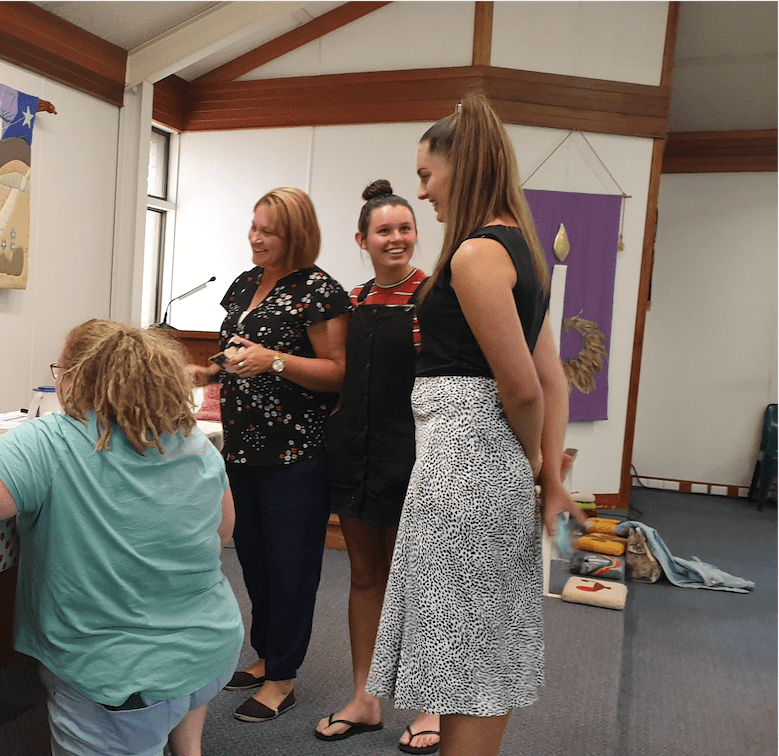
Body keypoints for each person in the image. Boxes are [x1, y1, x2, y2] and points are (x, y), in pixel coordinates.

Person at [365, 94, 585, 756]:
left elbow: (525, 388)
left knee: (464, 659)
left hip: (467, 467)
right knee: (484, 652)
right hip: (486, 467)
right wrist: (544, 475)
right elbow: (552, 379)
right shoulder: (522, 250)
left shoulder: (476, 254)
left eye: (426, 174)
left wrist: (536, 464)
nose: (421, 190)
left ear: (460, 167)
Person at [0, 320, 242, 756]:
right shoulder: (192, 440)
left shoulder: (56, 437)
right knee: (176, 693)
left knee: (141, 715)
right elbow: (222, 532)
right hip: (211, 647)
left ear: (74, 378)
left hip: (120, 680)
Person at [189, 187, 351, 723]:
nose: (257, 238)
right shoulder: (245, 283)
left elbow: (338, 371)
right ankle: (265, 655)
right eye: (254, 227)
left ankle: (283, 677)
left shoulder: (320, 291)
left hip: (296, 453)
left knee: (291, 568)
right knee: (254, 561)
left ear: (296, 235)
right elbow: (236, 351)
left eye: (270, 231)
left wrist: (275, 361)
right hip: (243, 448)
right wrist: (207, 371)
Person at [313, 180, 440, 753]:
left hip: (417, 457)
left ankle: (432, 706)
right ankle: (365, 699)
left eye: (405, 228)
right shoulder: (354, 301)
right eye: (384, 230)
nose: (396, 238)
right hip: (357, 456)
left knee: (423, 582)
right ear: (362, 239)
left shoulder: (434, 296)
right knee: (365, 577)